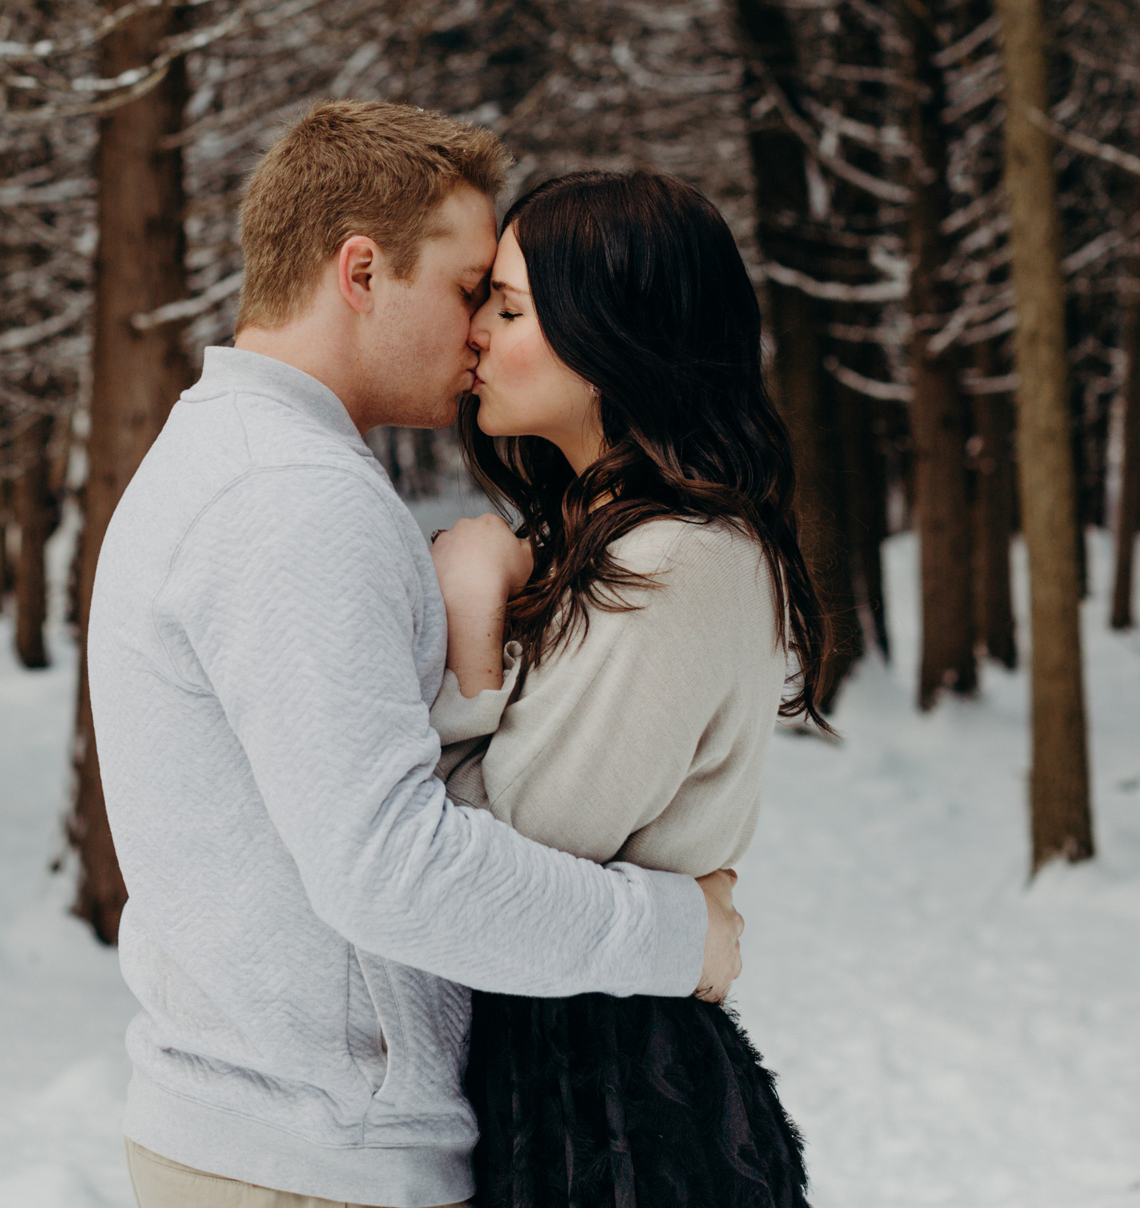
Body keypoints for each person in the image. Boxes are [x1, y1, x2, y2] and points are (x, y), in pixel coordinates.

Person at [90, 102, 746, 1208]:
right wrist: (681, 932)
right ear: (360, 270)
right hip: (310, 1159)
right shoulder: (291, 498)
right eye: (464, 291)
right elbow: (391, 868)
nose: (479, 329)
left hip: (279, 1139)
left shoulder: (235, 457)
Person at [428, 171, 832, 1208]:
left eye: (509, 307)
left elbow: (512, 842)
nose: (473, 331)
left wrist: (474, 630)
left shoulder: (681, 558)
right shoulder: (597, 535)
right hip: (562, 1067)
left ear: (612, 338)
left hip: (613, 1109)